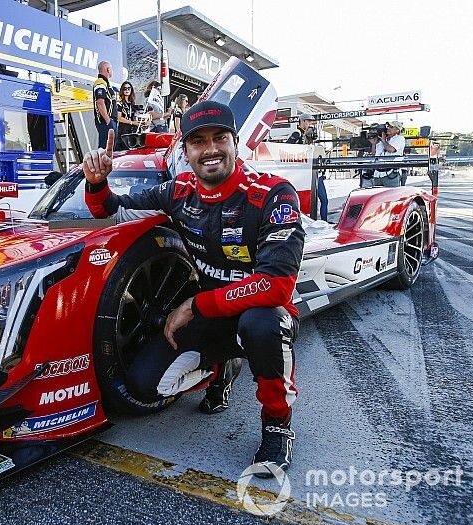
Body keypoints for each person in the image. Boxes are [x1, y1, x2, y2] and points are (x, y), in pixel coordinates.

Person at [83, 100, 305, 478]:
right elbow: (112, 210)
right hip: (212, 318)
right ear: (185, 151)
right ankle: (222, 368)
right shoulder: (179, 191)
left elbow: (277, 287)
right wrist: (97, 182)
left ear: (236, 143)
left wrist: (193, 305)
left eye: (220, 138)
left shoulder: (272, 194)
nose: (211, 149)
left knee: (261, 324)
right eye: (198, 142)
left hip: (262, 314)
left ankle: (277, 426)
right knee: (144, 384)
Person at [286, 113, 327, 221]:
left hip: (312, 172)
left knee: (323, 199)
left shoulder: (307, 136)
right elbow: (287, 147)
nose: (310, 124)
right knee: (307, 202)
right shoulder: (297, 133)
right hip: (303, 174)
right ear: (303, 121)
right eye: (308, 121)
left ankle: (324, 222)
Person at [370, 120, 406, 187]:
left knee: (392, 196)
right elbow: (374, 155)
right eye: (388, 126)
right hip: (378, 174)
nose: (388, 128)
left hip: (391, 173)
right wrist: (373, 144)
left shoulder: (400, 138)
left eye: (391, 127)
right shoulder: (383, 140)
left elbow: (391, 149)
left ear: (397, 130)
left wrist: (383, 140)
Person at [114, 81, 146, 151]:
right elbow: (119, 118)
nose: (127, 90)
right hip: (123, 131)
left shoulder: (133, 104)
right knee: (121, 151)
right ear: (122, 90)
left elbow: (137, 117)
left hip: (133, 131)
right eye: (125, 88)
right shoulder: (119, 103)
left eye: (129, 88)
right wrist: (132, 122)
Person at [93, 60, 117, 149]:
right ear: (108, 70)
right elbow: (100, 102)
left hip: (111, 122)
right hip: (105, 122)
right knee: (105, 149)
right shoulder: (100, 82)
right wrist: (108, 121)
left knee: (111, 150)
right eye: (111, 69)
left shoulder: (106, 83)